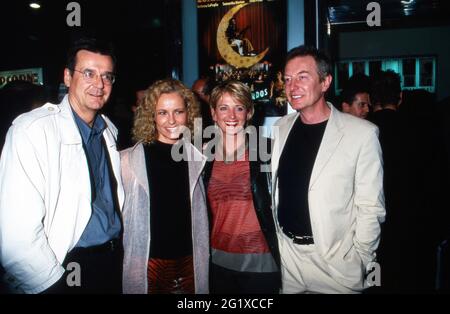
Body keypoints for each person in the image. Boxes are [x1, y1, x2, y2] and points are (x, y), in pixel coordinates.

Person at [0, 37, 124, 294]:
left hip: (111, 263)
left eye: (107, 76)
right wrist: (52, 285)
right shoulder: (32, 130)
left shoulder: (108, 130)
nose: (99, 84)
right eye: (88, 73)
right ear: (67, 77)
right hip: (63, 269)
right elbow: (15, 237)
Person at [272, 45, 385, 294]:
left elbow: (371, 206)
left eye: (303, 77)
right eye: (288, 79)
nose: (292, 87)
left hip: (336, 265)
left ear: (325, 82)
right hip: (289, 259)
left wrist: (361, 259)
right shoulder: (281, 127)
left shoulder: (362, 134)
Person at [121, 79, 209, 294]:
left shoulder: (199, 158)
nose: (171, 120)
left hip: (190, 262)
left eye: (178, 111)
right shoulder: (127, 160)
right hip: (146, 263)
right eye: (162, 112)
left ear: (188, 114)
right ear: (151, 115)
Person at [203, 80, 280, 294]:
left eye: (239, 108)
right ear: (213, 113)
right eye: (223, 108)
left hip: (261, 263)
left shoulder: (268, 150)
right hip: (217, 263)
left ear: (249, 112)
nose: (232, 116)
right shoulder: (202, 157)